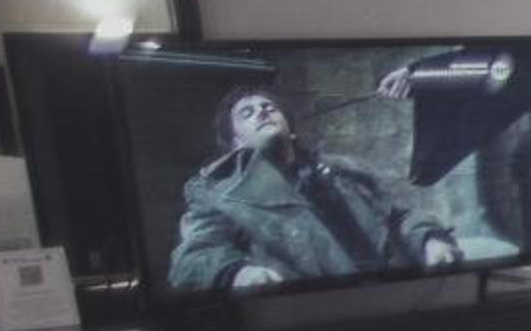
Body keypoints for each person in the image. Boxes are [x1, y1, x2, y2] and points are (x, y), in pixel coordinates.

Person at [166, 84, 463, 295]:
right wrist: (237, 273)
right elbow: (192, 258)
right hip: (319, 316)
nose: (262, 113)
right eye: (247, 113)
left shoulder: (345, 170)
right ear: (236, 142)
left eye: (269, 108)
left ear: (290, 127)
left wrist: (429, 239)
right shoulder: (218, 194)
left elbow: (397, 217)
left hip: (398, 296)